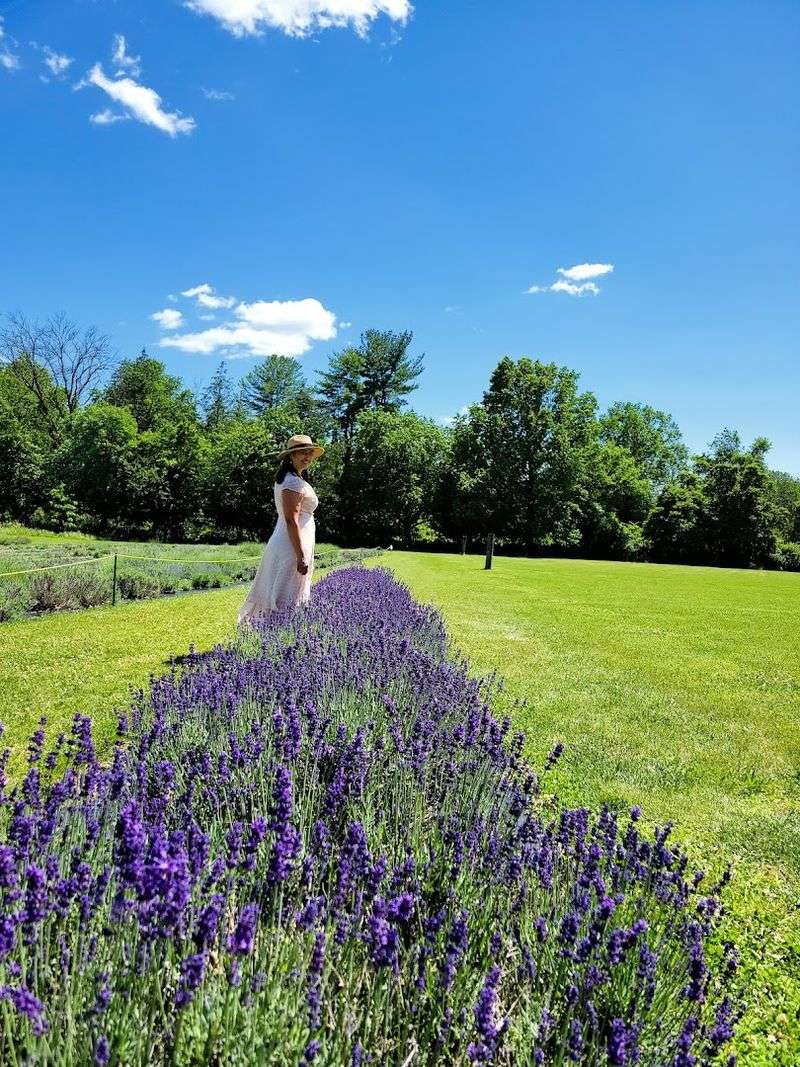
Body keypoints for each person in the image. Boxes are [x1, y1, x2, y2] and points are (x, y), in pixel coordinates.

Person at [237, 433, 324, 626]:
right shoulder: (292, 482)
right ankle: (276, 634)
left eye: (309, 453)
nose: (307, 457)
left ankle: (276, 634)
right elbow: (291, 520)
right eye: (302, 453)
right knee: (286, 591)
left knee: (287, 589)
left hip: (293, 542)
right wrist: (300, 555)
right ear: (290, 456)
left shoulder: (295, 479)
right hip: (291, 545)